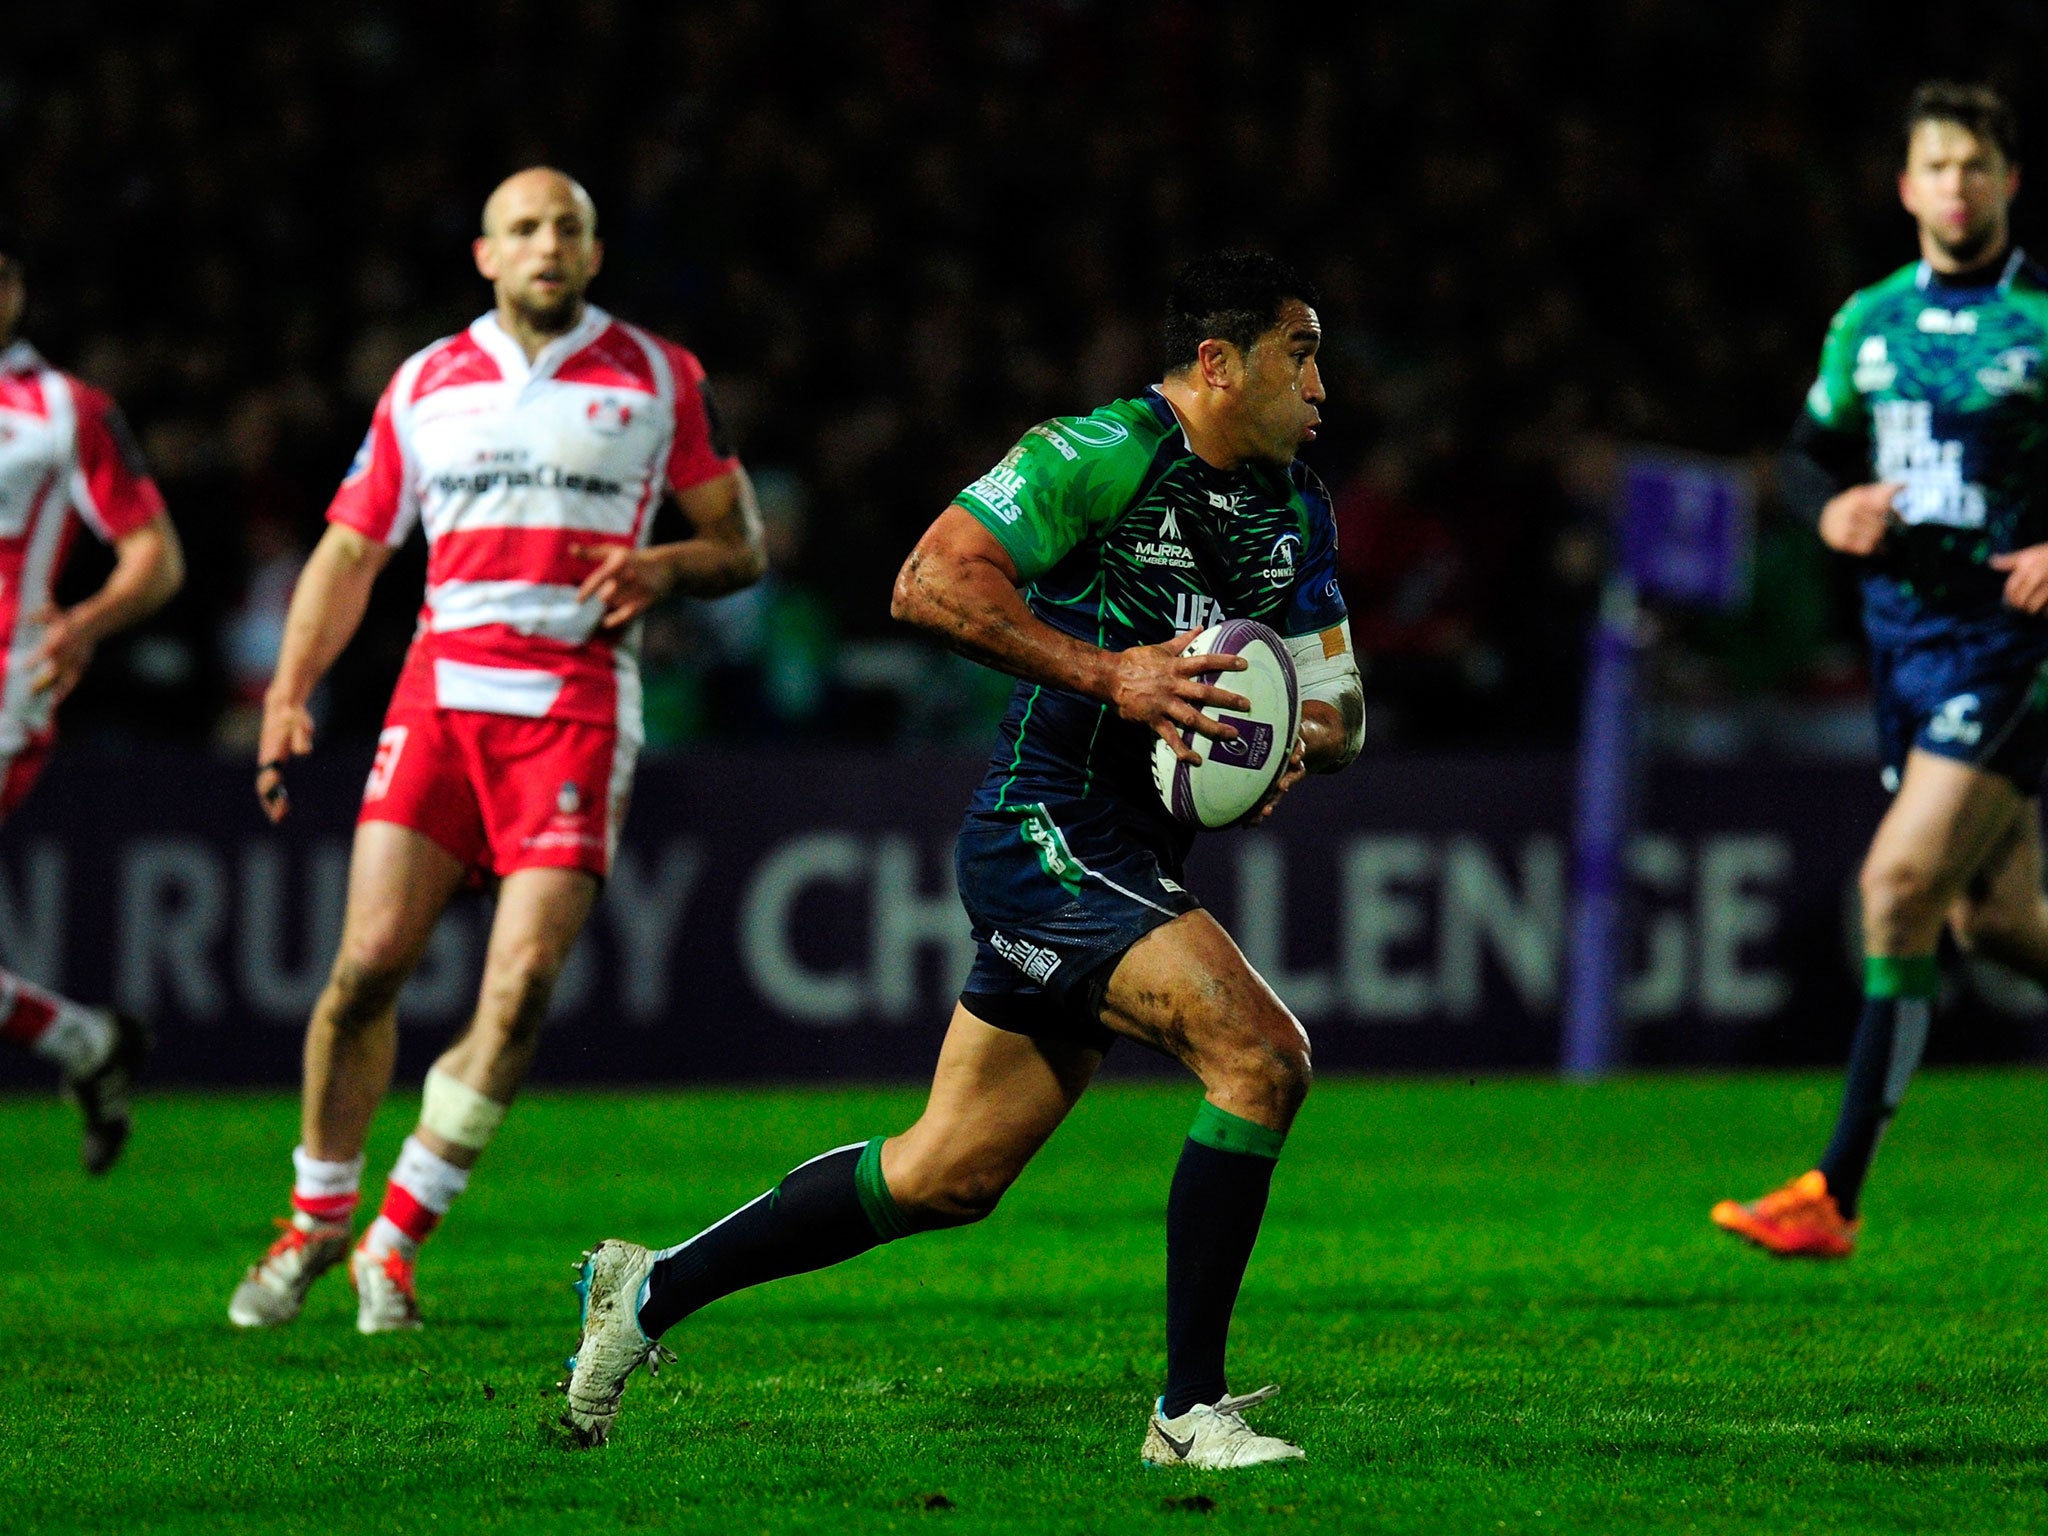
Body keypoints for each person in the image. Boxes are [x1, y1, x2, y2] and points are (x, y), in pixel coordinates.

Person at [561, 250, 1365, 1468]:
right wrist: (1115, 675)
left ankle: (649, 1289)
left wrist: (1285, 742)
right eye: (1299, 355)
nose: (1320, 386)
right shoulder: (1095, 454)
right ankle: (1182, 1414)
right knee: (1259, 1059)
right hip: (1044, 828)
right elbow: (927, 585)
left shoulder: (1294, 506)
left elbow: (1340, 704)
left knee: (946, 1175)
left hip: (1131, 853)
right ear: (1218, 362)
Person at [227, 168, 764, 1333]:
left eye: (566, 225)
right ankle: (316, 1215)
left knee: (516, 991)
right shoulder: (426, 380)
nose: (546, 244)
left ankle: (397, 1234)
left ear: (593, 249)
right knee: (367, 964)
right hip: (442, 698)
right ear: (486, 255)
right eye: (524, 227)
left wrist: (664, 567)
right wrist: (289, 690)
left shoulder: (657, 375)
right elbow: (350, 552)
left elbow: (740, 544)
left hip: (573, 705)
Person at [1714, 82, 2048, 1257]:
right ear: (1906, 188)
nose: (1955, 185)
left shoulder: (2041, 320)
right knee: (1991, 921)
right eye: (1935, 166)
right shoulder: (1867, 320)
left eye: (1975, 165)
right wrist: (1830, 509)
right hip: (1901, 646)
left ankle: (1831, 1192)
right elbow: (1806, 457)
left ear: (2007, 182)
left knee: (1894, 888)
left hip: (2011, 649)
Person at [0, 220, 183, 1173]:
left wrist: (85, 623)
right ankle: (86, 1042)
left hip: (6, 691)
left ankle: (85, 1042)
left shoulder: (62, 409)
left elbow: (155, 556)